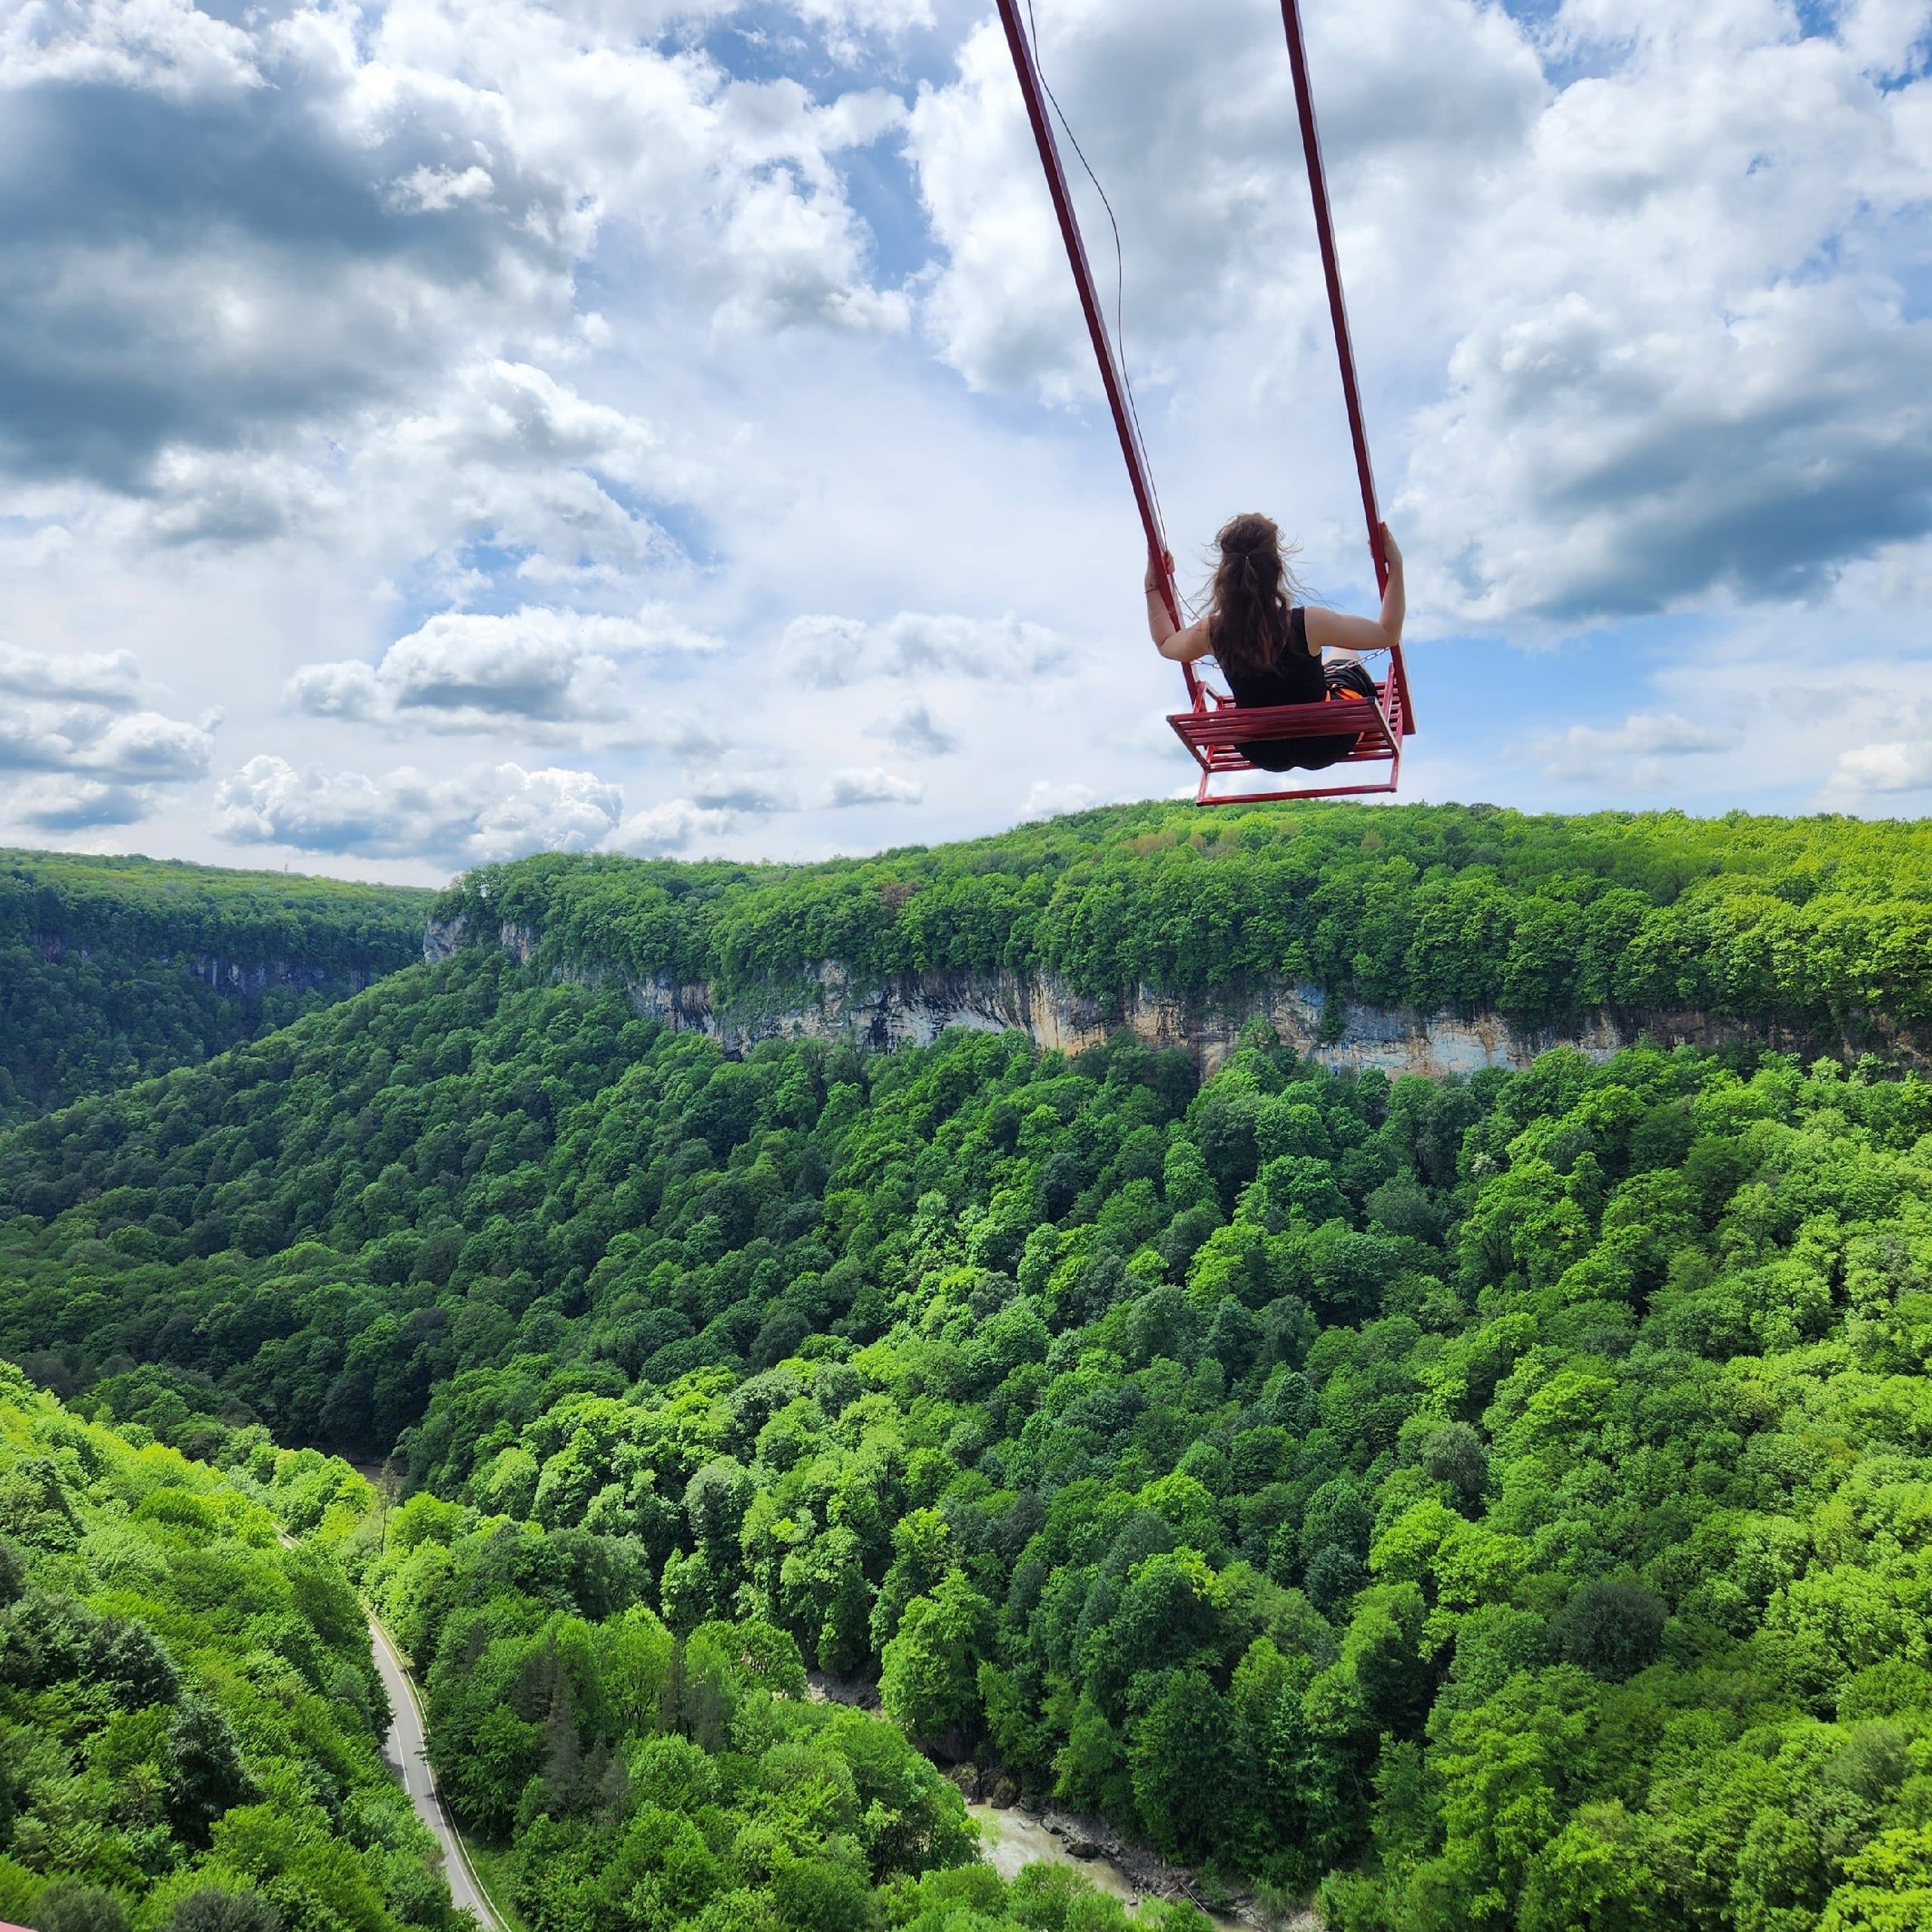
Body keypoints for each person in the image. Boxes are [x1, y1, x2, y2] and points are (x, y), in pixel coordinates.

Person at [1144, 512, 1404, 772]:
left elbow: (1166, 643)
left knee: (1322, 669)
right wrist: (1396, 564)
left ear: (1225, 576)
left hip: (1263, 751)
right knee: (1346, 651)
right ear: (1277, 569)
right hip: (1325, 743)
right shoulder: (1308, 622)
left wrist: (1153, 586)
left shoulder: (1214, 632)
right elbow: (1387, 633)